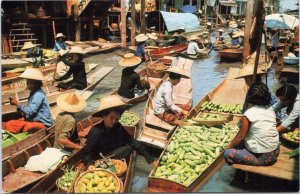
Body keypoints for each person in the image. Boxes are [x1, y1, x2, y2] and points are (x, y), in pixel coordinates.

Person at [83, 95, 157, 168]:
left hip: (110, 155)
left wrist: (149, 158)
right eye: (111, 118)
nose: (114, 121)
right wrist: (90, 165)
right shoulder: (96, 131)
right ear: (104, 116)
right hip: (98, 160)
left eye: (117, 119)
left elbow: (131, 140)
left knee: (128, 147)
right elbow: (87, 153)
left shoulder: (117, 126)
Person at [224, 82, 280, 166]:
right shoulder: (270, 110)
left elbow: (240, 137)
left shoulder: (249, 114)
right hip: (275, 151)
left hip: (263, 158)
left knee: (228, 153)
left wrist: (228, 147)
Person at [5, 68, 53, 133]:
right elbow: (30, 110)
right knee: (11, 123)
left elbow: (31, 111)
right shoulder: (34, 92)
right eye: (27, 82)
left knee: (10, 125)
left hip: (43, 124)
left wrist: (17, 104)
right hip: (34, 120)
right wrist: (20, 109)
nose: (28, 84)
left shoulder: (38, 94)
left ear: (36, 83)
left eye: (30, 83)